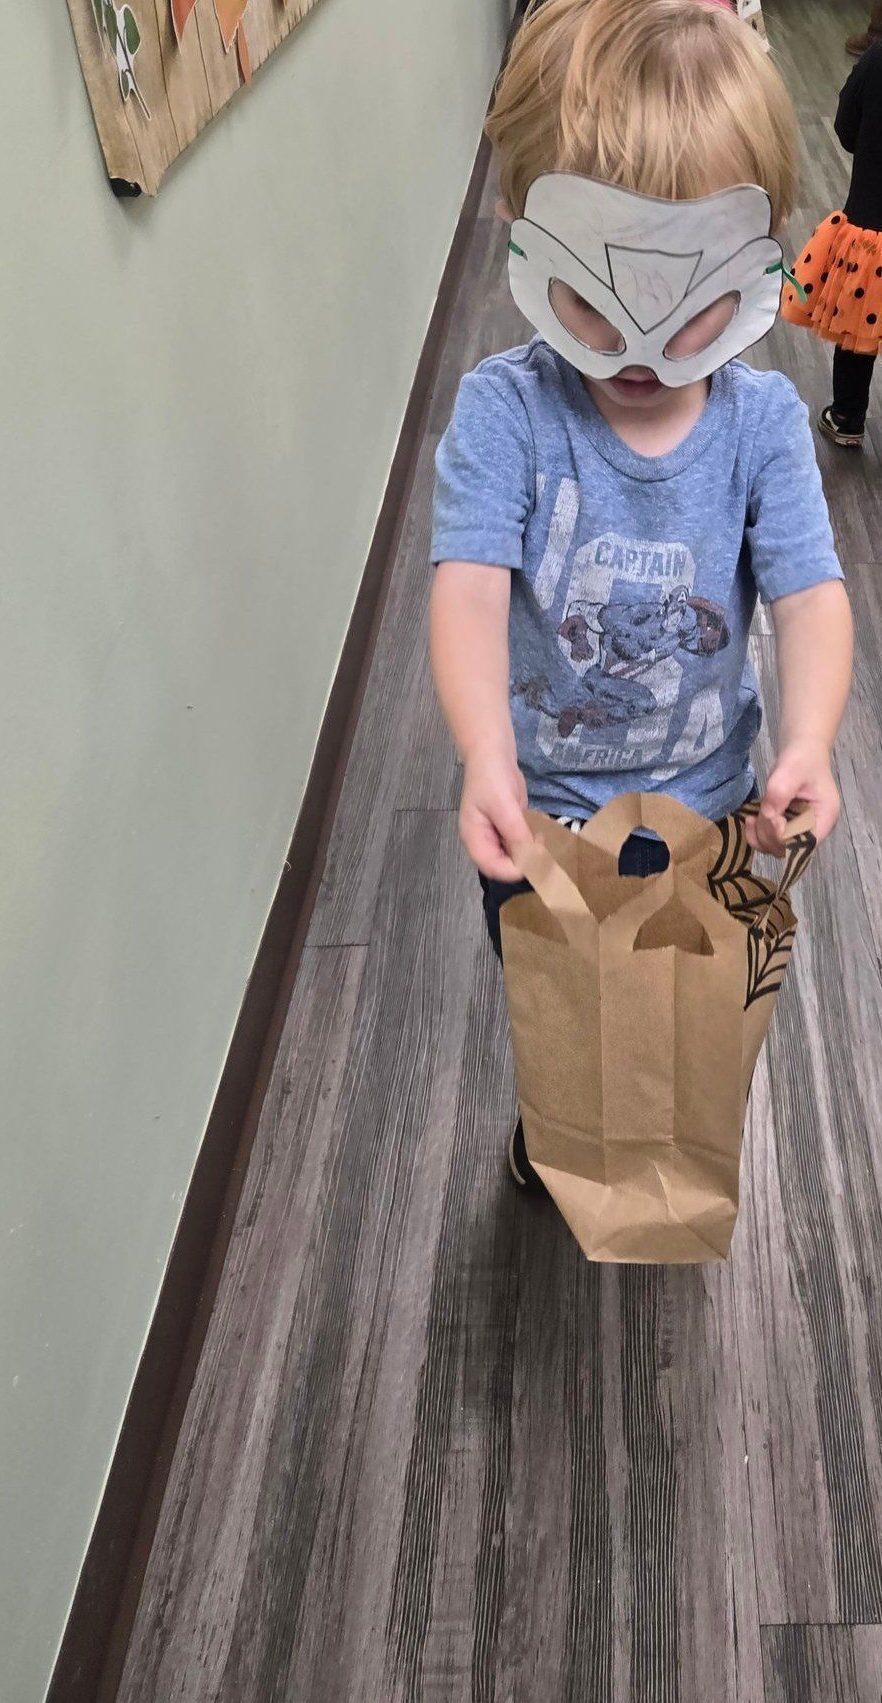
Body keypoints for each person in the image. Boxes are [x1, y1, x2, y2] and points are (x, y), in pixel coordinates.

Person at [429, 0, 853, 1192]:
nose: (632, 345)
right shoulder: (508, 414)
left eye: (686, 304)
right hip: (541, 812)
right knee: (562, 1008)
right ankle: (561, 1129)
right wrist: (482, 750)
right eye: (593, 304)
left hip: (711, 805)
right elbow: (465, 586)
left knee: (680, 1003)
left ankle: (657, 1125)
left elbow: (811, 593)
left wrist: (810, 739)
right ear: (524, 239)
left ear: (754, 263)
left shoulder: (761, 423)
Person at [782, 43, 882, 448]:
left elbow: (845, 125)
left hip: (873, 224)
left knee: (858, 321)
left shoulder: (877, 58)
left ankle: (847, 417)